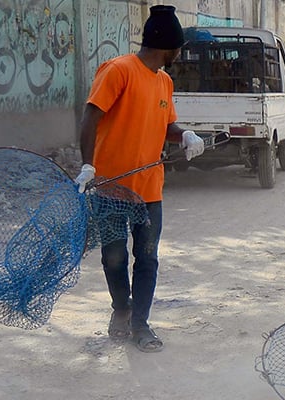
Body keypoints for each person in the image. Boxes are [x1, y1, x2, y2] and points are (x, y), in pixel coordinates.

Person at [74, 5, 205, 353]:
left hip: (149, 190)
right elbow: (90, 116)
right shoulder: (118, 71)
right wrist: (88, 165)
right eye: (178, 49)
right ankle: (121, 308)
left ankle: (140, 324)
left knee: (147, 257)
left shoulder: (164, 81)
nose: (178, 55)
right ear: (168, 46)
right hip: (112, 188)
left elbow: (165, 125)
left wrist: (185, 135)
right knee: (113, 258)